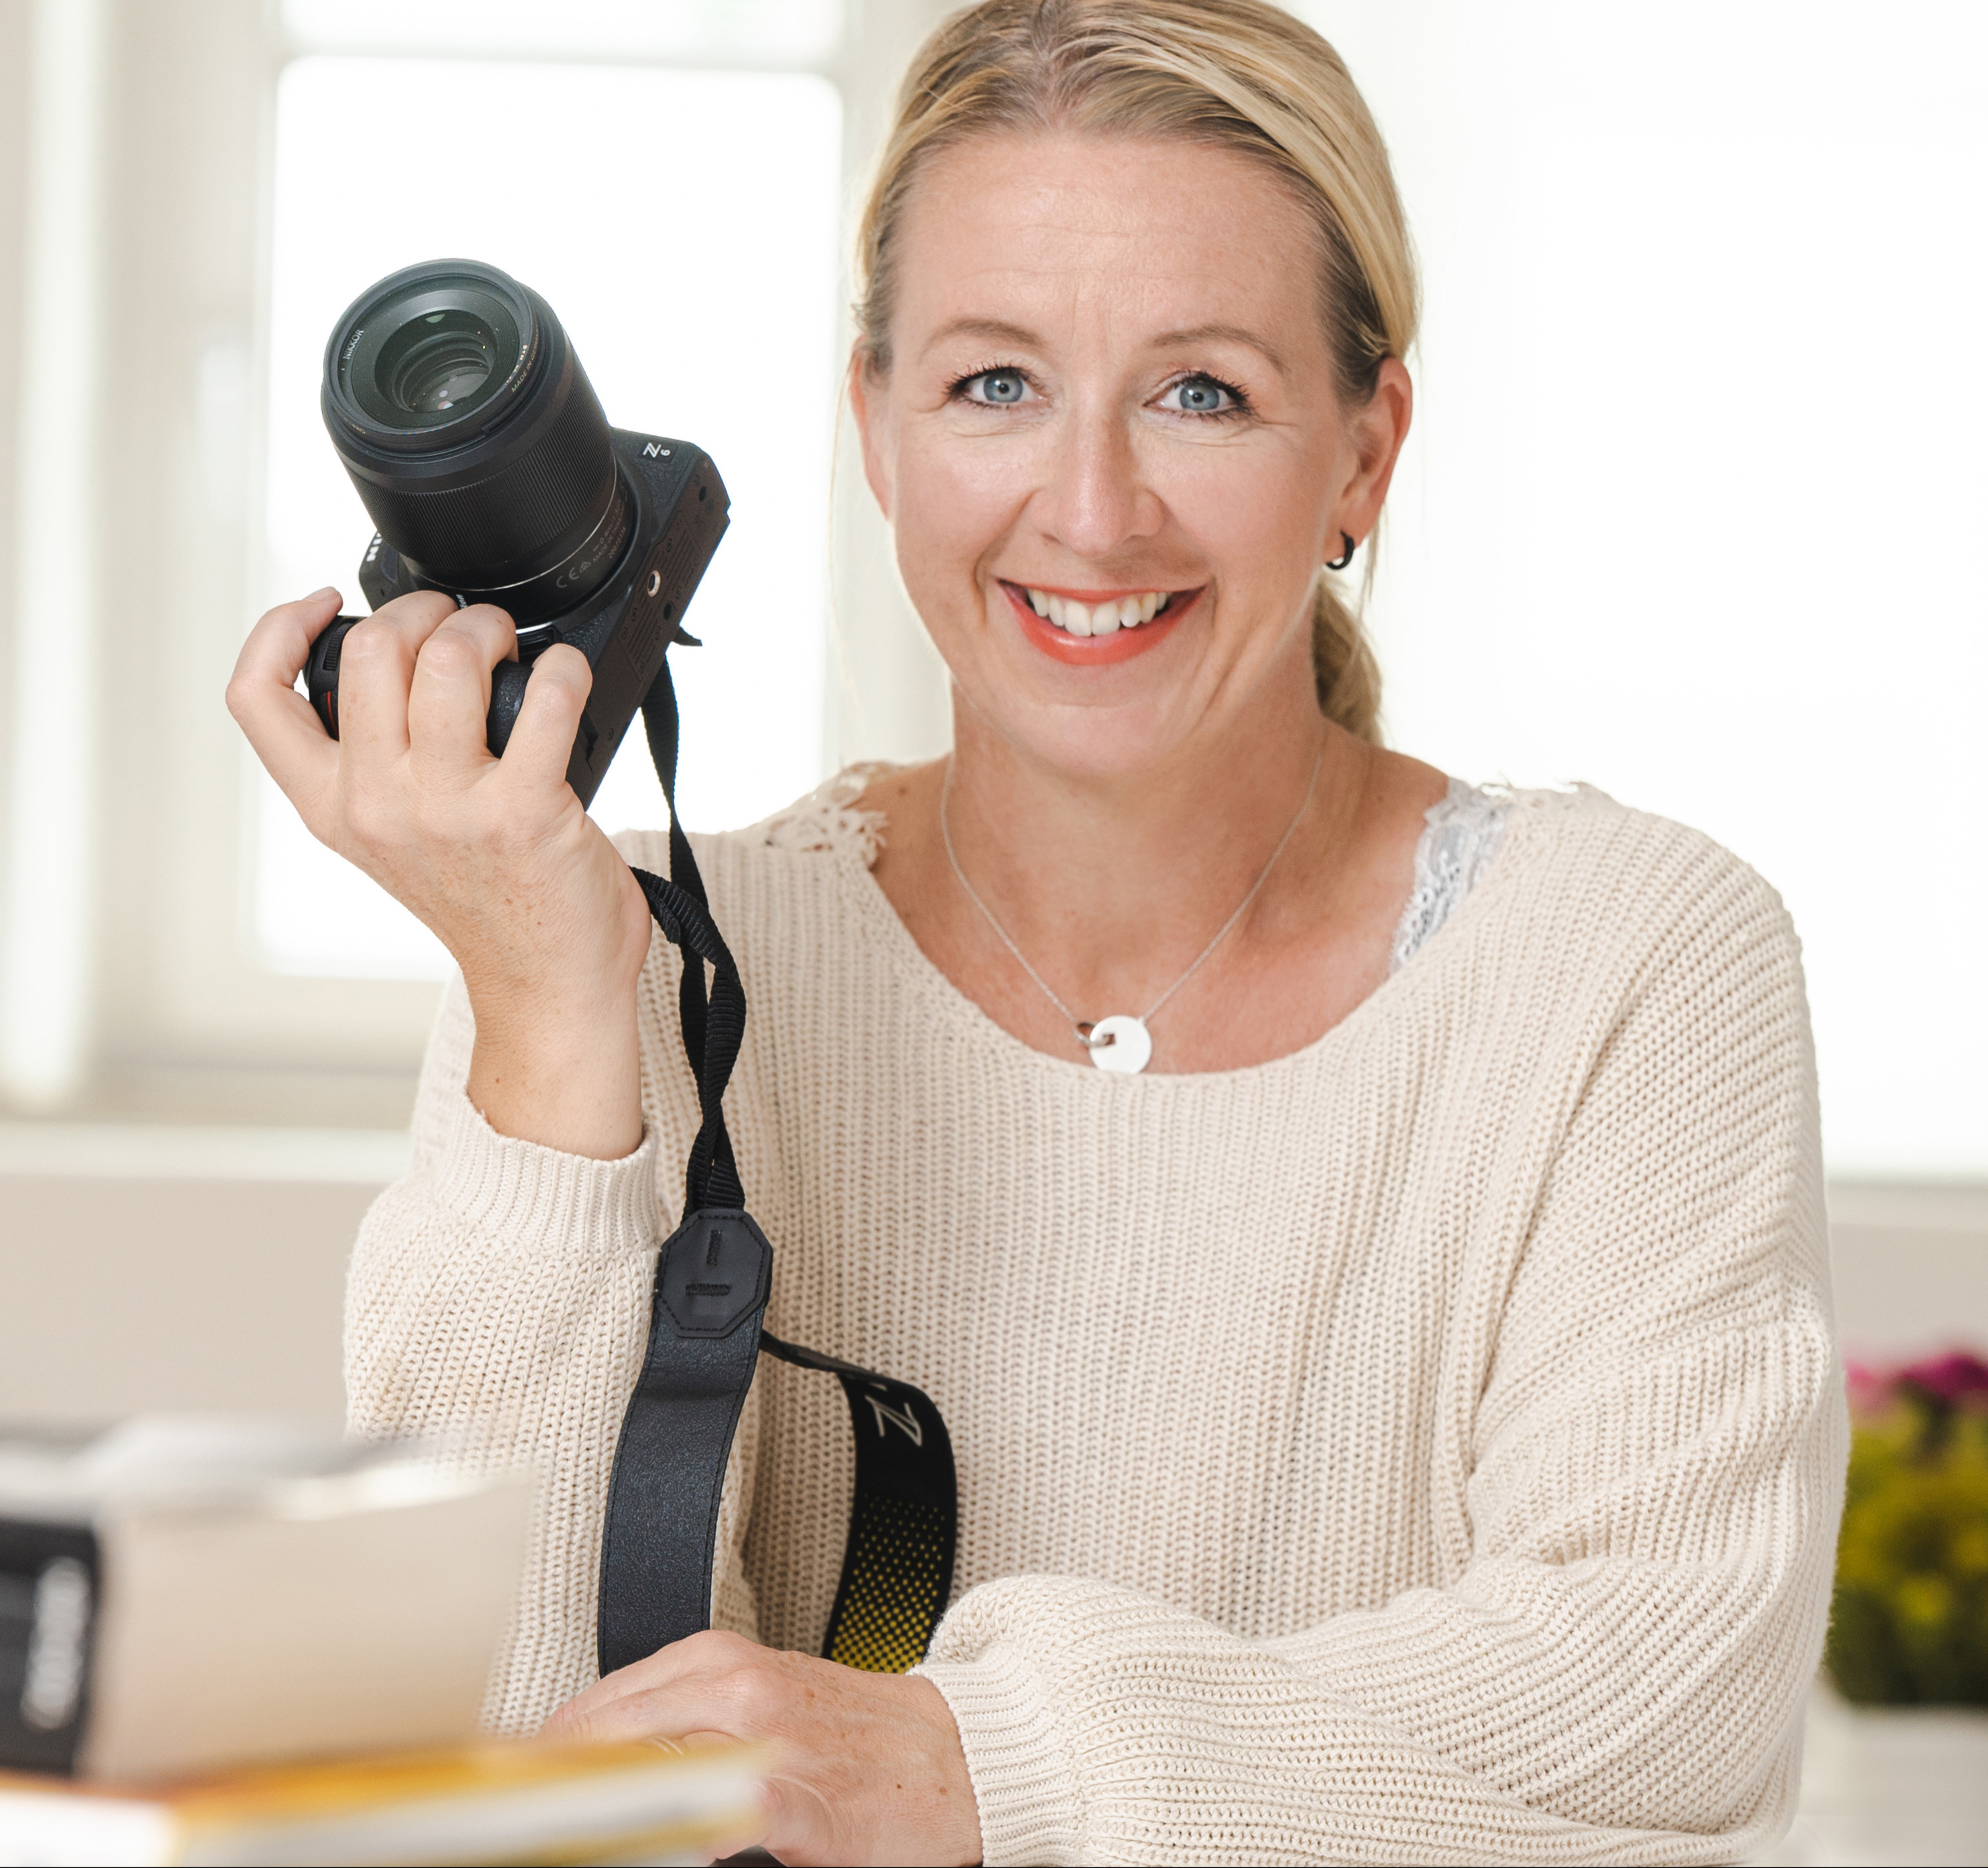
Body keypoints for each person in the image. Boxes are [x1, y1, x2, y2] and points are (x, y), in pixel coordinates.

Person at [226, 1, 1842, 1859]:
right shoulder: (637, 958)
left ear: (1365, 456)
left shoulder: (1625, 967)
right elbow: (510, 1761)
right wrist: (543, 1008)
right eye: (995, 385)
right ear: (876, 431)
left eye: (1202, 392)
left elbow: (1661, 1704)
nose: (1089, 512)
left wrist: (995, 1765)